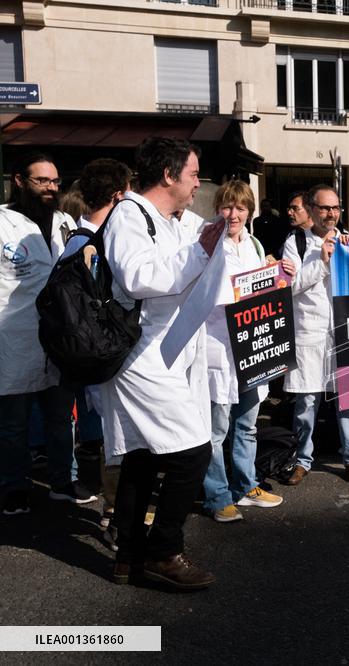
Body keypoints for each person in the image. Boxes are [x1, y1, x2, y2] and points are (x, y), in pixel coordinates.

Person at [100, 137, 225, 589]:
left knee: (141, 459)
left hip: (164, 353)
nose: (198, 184)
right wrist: (198, 253)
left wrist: (209, 243)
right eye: (193, 174)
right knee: (194, 452)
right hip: (140, 358)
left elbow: (189, 261)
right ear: (169, 175)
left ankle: (127, 557)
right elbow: (137, 277)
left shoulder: (165, 219)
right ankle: (164, 551)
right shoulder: (129, 216)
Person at [1, 153, 95, 516]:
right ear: (19, 180)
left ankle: (63, 479)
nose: (50, 188)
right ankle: (13, 486)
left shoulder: (63, 221)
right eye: (42, 181)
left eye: (55, 182)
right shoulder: (2, 221)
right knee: (12, 424)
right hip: (14, 337)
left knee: (61, 418)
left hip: (59, 337)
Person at [203, 180, 295, 523]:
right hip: (218, 343)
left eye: (240, 208)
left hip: (253, 346)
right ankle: (217, 496)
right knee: (215, 430)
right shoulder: (208, 244)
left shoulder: (254, 245)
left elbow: (269, 290)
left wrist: (284, 274)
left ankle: (245, 485)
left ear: (250, 211)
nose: (233, 214)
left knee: (247, 424)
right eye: (227, 207)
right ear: (217, 209)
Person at [64, 158, 133, 544]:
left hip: (101, 358)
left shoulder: (84, 240)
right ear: (118, 195)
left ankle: (118, 514)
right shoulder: (88, 245)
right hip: (105, 358)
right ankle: (115, 518)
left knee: (118, 440)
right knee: (117, 441)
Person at [281, 184, 349, 485]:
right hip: (310, 331)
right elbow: (290, 287)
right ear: (312, 210)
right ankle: (302, 459)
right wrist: (322, 260)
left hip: (342, 331)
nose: (330, 214)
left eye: (335, 208)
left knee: (348, 399)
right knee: (306, 404)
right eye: (324, 208)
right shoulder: (297, 243)